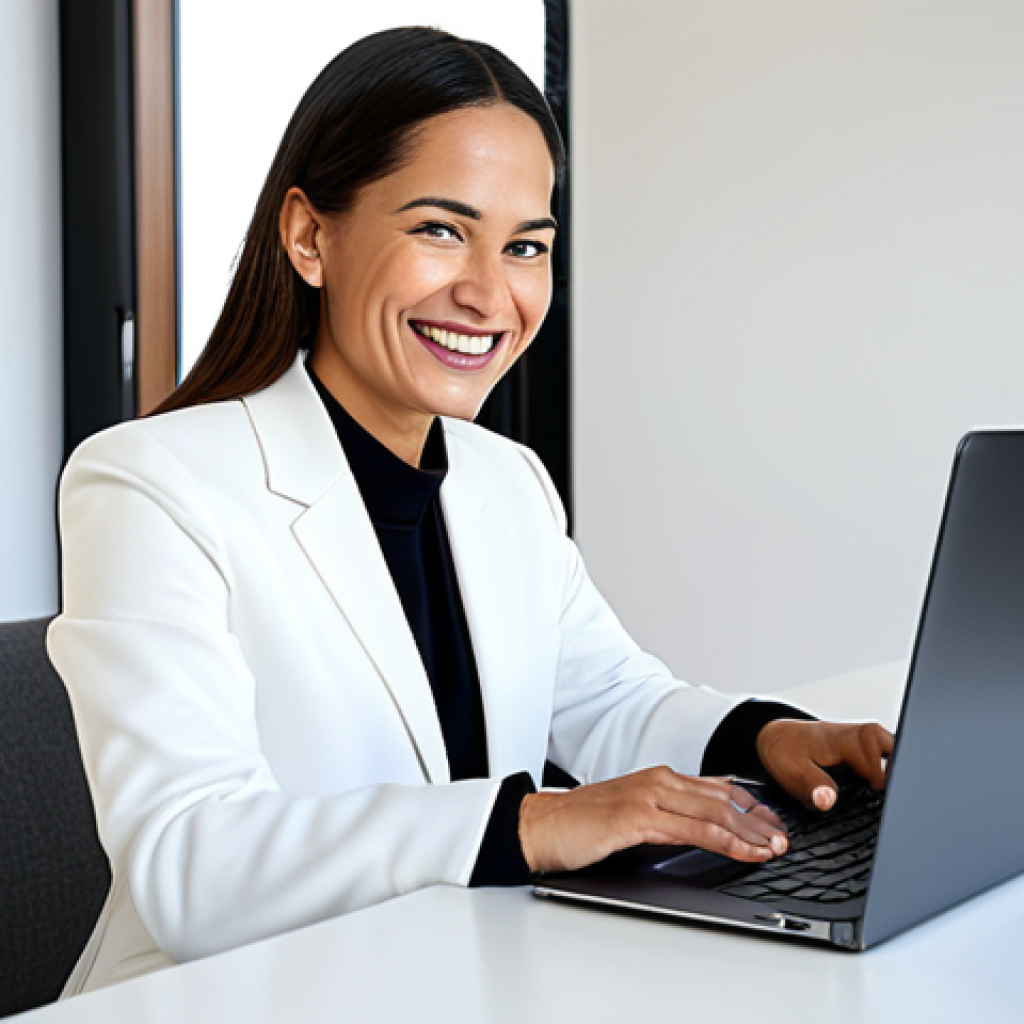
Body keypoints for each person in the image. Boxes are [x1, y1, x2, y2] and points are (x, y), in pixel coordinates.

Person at [48, 26, 893, 995]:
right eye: (440, 229)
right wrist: (531, 821)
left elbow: (607, 699)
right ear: (309, 236)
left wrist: (764, 740)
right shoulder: (151, 481)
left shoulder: (506, 481)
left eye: (525, 245)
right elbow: (188, 860)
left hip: (455, 974)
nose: (490, 293)